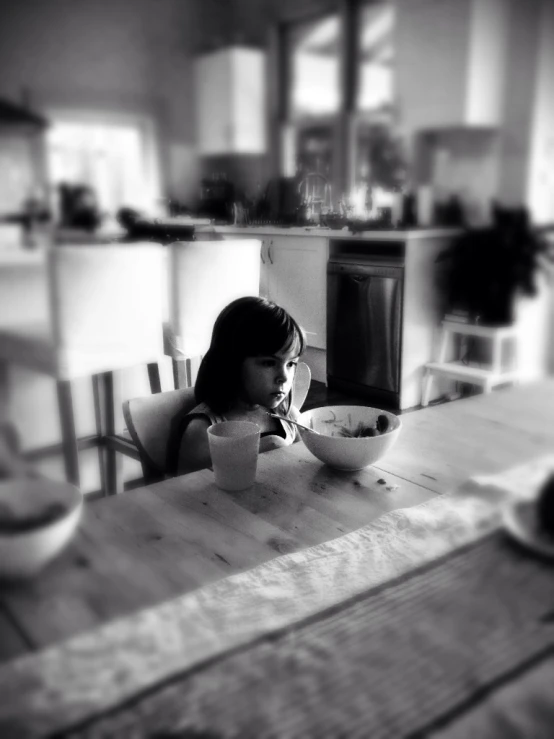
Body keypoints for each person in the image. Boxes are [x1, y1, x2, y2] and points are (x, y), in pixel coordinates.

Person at [167, 296, 306, 476]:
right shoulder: (203, 432)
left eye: (291, 364)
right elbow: (185, 497)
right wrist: (262, 452)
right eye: (269, 363)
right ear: (231, 362)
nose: (283, 377)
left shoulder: (289, 418)